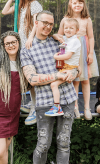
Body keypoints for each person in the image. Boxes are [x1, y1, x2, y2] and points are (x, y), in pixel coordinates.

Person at [20, 10, 80, 164]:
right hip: (45, 102)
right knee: (43, 145)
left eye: (51, 24)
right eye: (45, 23)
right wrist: (56, 76)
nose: (48, 26)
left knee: (64, 143)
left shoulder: (59, 42)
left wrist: (75, 72)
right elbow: (32, 79)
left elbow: (75, 65)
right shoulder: (27, 48)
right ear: (36, 23)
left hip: (67, 99)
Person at [2, 0, 43, 125]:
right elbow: (4, 11)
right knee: (26, 76)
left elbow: (37, 23)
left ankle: (35, 108)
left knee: (32, 76)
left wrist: (30, 39)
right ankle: (32, 104)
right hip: (23, 45)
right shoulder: (21, 4)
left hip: (30, 44)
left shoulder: (35, 5)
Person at [0, 31, 28, 164]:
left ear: (18, 43)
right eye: (7, 43)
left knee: (4, 151)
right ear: (3, 46)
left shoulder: (23, 62)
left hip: (13, 114)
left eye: (13, 42)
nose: (10, 45)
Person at [58, 0, 99, 120]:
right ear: (70, 4)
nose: (77, 5)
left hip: (85, 50)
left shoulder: (86, 19)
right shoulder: (65, 19)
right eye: (75, 3)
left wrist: (90, 53)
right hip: (72, 52)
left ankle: (87, 108)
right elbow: (60, 35)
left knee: (85, 80)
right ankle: (74, 107)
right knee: (75, 80)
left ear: (83, 5)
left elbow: (91, 37)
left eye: (80, 3)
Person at [45, 18, 81, 117]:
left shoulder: (75, 41)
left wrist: (56, 57)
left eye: (71, 28)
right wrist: (57, 36)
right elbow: (56, 35)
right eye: (66, 28)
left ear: (77, 30)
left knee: (54, 85)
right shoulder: (66, 38)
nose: (68, 30)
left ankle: (57, 107)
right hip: (64, 67)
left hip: (70, 69)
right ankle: (70, 107)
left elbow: (68, 56)